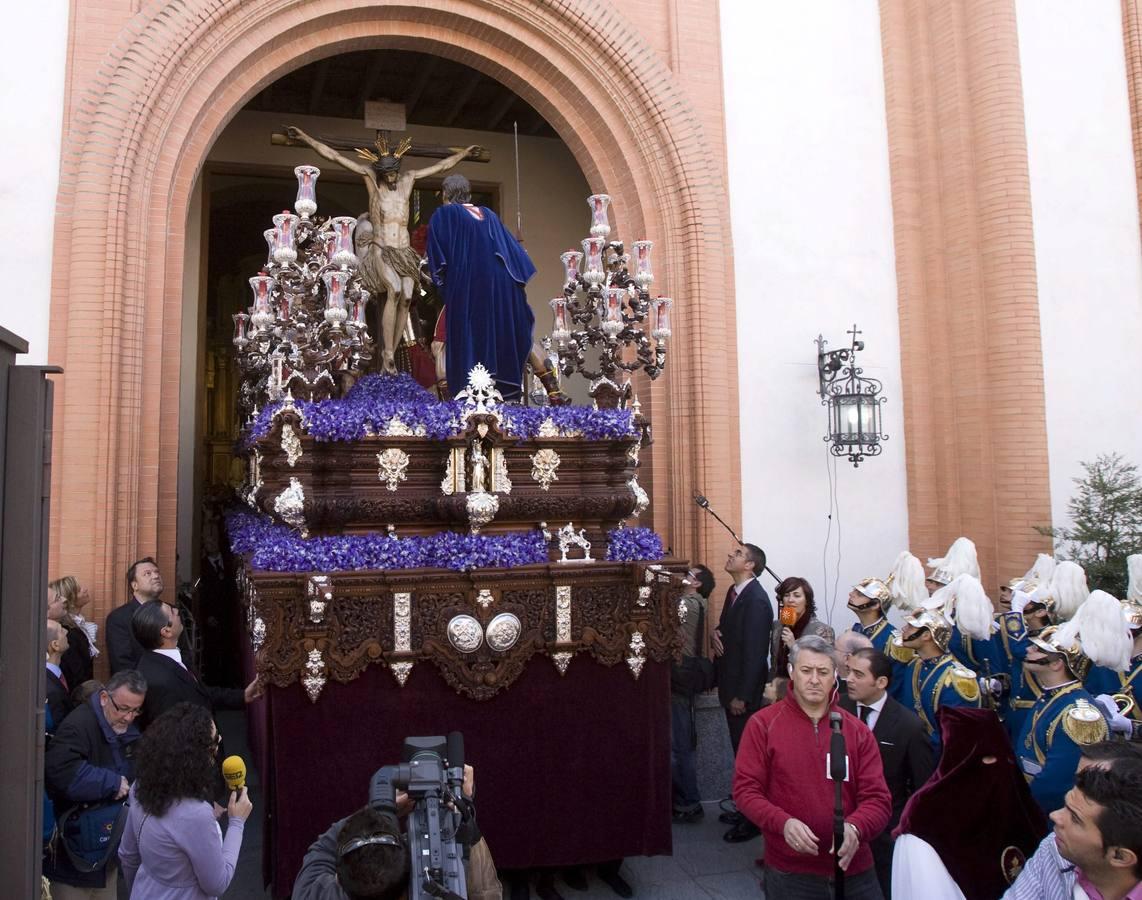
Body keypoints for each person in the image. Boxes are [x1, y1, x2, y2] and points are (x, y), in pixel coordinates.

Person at [287, 126, 478, 373]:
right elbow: (335, 157)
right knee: (394, 289)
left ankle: (392, 349)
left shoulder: (408, 181)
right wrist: (306, 137)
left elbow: (440, 167)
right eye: (387, 174)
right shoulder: (371, 183)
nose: (392, 178)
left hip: (405, 252)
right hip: (382, 249)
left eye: (394, 173)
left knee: (408, 296)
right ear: (380, 173)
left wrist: (463, 154)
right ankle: (387, 351)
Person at [733, 635, 892, 898]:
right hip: (791, 872)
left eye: (823, 672)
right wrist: (782, 823)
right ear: (792, 673)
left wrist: (856, 827)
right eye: (806, 671)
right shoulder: (763, 725)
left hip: (854, 871)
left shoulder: (857, 731)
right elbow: (745, 790)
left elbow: (878, 799)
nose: (815, 679)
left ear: (835, 677)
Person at [891, 707, 1049, 900]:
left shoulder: (1021, 810)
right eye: (984, 760)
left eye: (1001, 759)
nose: (995, 769)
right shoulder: (923, 823)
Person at [426, 174, 558, 402]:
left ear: (446, 194)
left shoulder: (444, 214)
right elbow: (514, 256)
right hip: (503, 291)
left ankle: (455, 401)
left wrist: (440, 284)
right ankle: (554, 391)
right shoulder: (490, 216)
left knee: (445, 342)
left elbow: (437, 261)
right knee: (509, 335)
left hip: (470, 287)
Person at [292, 765, 502, 900]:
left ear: (340, 880)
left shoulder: (313, 893)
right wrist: (461, 809)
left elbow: (323, 849)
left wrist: (378, 814)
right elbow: (486, 893)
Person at [118, 703, 252, 899]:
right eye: (215, 741)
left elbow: (127, 855)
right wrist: (237, 823)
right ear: (197, 756)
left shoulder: (140, 786)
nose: (219, 741)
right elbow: (217, 884)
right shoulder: (196, 815)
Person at [1016, 593, 1130, 816]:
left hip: (1048, 816)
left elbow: (1058, 785)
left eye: (1038, 649)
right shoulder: (1052, 697)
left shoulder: (1079, 715)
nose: (1029, 650)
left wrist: (1021, 804)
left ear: (1058, 663)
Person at [44, 670, 148, 899]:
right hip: (74, 854)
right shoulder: (78, 725)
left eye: (135, 710)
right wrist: (113, 783)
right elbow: (60, 773)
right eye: (123, 708)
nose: (129, 717)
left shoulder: (121, 726)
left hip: (104, 852)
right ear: (104, 698)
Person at [842, 649, 935, 898]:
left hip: (884, 837)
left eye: (858, 674)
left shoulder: (909, 726)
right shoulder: (836, 711)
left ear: (881, 682)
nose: (849, 678)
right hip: (839, 828)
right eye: (848, 671)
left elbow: (922, 788)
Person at [1004, 740, 1142, 899]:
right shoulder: (1054, 847)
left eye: (1075, 818)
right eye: (1066, 806)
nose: (1055, 816)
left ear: (1120, 856)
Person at [711, 542, 774, 843]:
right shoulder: (733, 593)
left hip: (741, 694)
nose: (729, 555)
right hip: (729, 685)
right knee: (739, 753)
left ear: (750, 565)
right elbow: (726, 630)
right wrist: (714, 633)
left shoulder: (757, 601)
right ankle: (743, 807)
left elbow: (755, 652)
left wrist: (744, 696)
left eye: (736, 554)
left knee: (748, 758)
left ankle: (753, 820)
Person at [131, 599, 261, 731]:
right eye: (171, 611)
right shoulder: (160, 681)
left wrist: (242, 695)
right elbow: (171, 737)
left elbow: (199, 692)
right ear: (166, 631)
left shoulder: (170, 657)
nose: (177, 611)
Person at [891, 605, 981, 753]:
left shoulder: (957, 678)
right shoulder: (913, 665)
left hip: (938, 756)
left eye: (910, 627)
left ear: (926, 635)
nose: (903, 630)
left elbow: (955, 735)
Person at [671, 564, 715, 823]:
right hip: (682, 675)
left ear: (696, 583)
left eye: (688, 575)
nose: (682, 577)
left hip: (679, 676)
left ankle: (688, 801)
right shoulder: (694, 602)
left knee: (680, 745)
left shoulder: (687, 603)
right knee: (680, 743)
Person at [768, 576, 834, 702]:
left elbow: (825, 668)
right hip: (778, 693)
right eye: (787, 595)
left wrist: (794, 646)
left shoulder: (822, 630)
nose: (791, 600)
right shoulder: (778, 626)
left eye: (797, 596)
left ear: (807, 600)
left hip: (806, 694)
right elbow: (774, 661)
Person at [106, 557, 164, 675]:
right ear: (135, 585)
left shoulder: (172, 611)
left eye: (157, 572)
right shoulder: (118, 618)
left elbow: (184, 654)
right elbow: (122, 664)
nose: (155, 576)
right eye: (147, 574)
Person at [50, 576, 98, 688]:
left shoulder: (79, 625)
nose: (85, 589)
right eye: (78, 590)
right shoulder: (67, 632)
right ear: (70, 600)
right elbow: (76, 672)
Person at [46, 618, 75, 730]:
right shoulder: (50, 688)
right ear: (55, 645)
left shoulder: (56, 674)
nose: (66, 631)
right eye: (61, 630)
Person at [834, 631, 873, 702]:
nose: (832, 652)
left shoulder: (834, 691)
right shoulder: (871, 691)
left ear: (847, 658)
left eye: (835, 648)